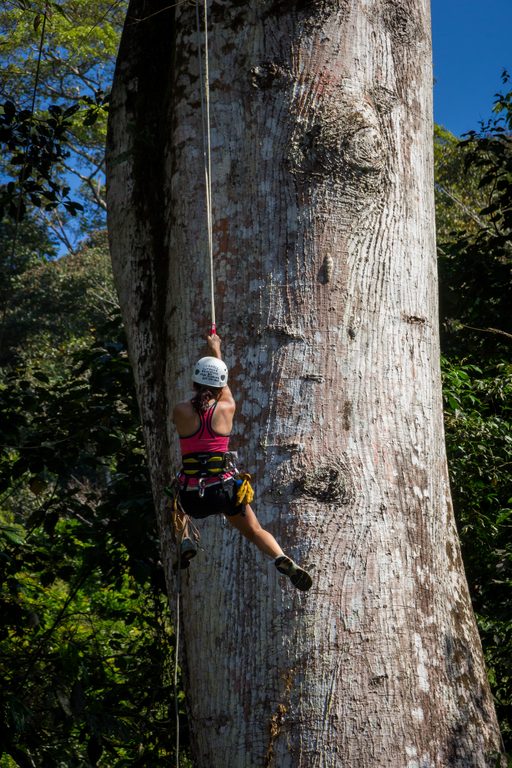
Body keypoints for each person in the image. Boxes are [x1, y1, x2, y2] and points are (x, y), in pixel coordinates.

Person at [171, 333, 312, 591]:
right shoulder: (227, 408)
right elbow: (223, 390)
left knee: (175, 498)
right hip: (223, 492)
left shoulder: (180, 410)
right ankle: (279, 556)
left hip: (192, 495)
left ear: (195, 381)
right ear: (221, 384)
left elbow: (201, 401)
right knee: (255, 530)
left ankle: (185, 539)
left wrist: (210, 353)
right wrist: (217, 349)